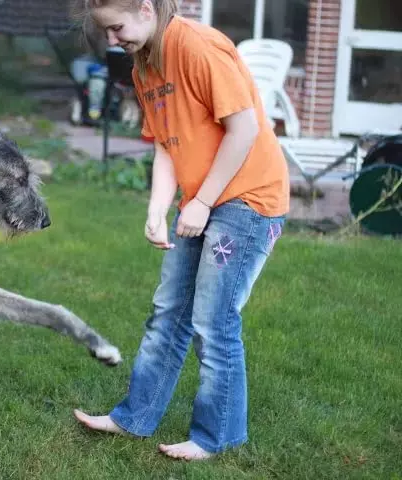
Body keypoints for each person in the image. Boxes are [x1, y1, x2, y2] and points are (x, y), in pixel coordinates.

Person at [72, 0, 290, 461]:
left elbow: (244, 130)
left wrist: (204, 202)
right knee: (167, 310)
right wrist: (157, 208)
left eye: (116, 28)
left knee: (213, 321)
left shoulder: (198, 46)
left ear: (146, 10)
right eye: (106, 32)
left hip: (249, 198)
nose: (113, 40)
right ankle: (133, 417)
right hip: (202, 198)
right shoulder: (144, 68)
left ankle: (216, 436)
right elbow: (166, 147)